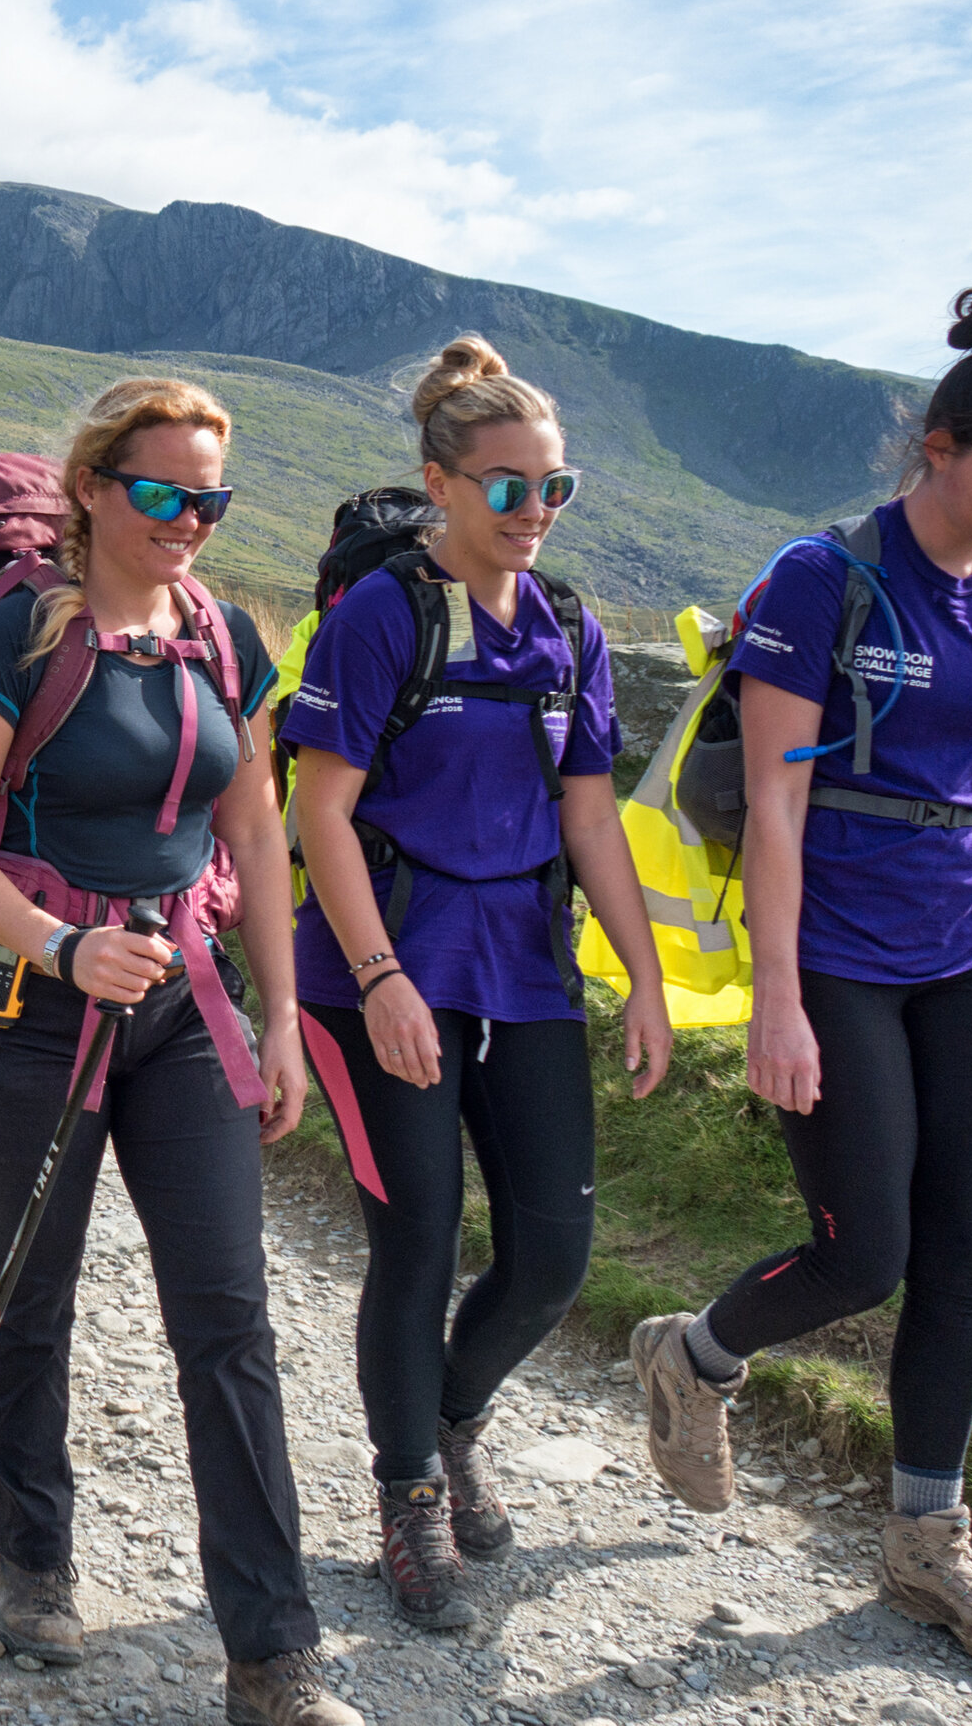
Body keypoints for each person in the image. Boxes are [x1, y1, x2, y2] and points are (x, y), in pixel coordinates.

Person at [630, 289, 972, 1676]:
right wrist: (777, 1000)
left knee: (966, 1252)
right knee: (866, 1252)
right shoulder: (823, 578)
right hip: (839, 954)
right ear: (937, 448)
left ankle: (925, 1547)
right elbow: (776, 807)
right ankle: (695, 1353)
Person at [0, 380, 353, 1726]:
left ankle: (273, 1653)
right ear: (94, 489)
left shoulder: (224, 634)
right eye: (162, 493)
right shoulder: (20, 631)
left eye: (210, 499)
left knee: (228, 1317)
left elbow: (257, 832)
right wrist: (60, 944)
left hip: (182, 1011)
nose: (189, 520)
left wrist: (283, 1016)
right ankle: (32, 1551)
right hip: (23, 1009)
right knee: (29, 1292)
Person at [283, 335, 671, 1630]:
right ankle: (408, 1501)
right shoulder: (384, 613)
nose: (535, 510)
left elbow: (592, 816)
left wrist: (646, 980)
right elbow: (320, 811)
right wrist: (381, 977)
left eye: (555, 486)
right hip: (380, 964)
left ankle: (450, 1422)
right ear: (441, 484)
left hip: (525, 966)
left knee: (553, 1253)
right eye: (508, 486)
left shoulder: (570, 626)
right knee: (421, 1239)